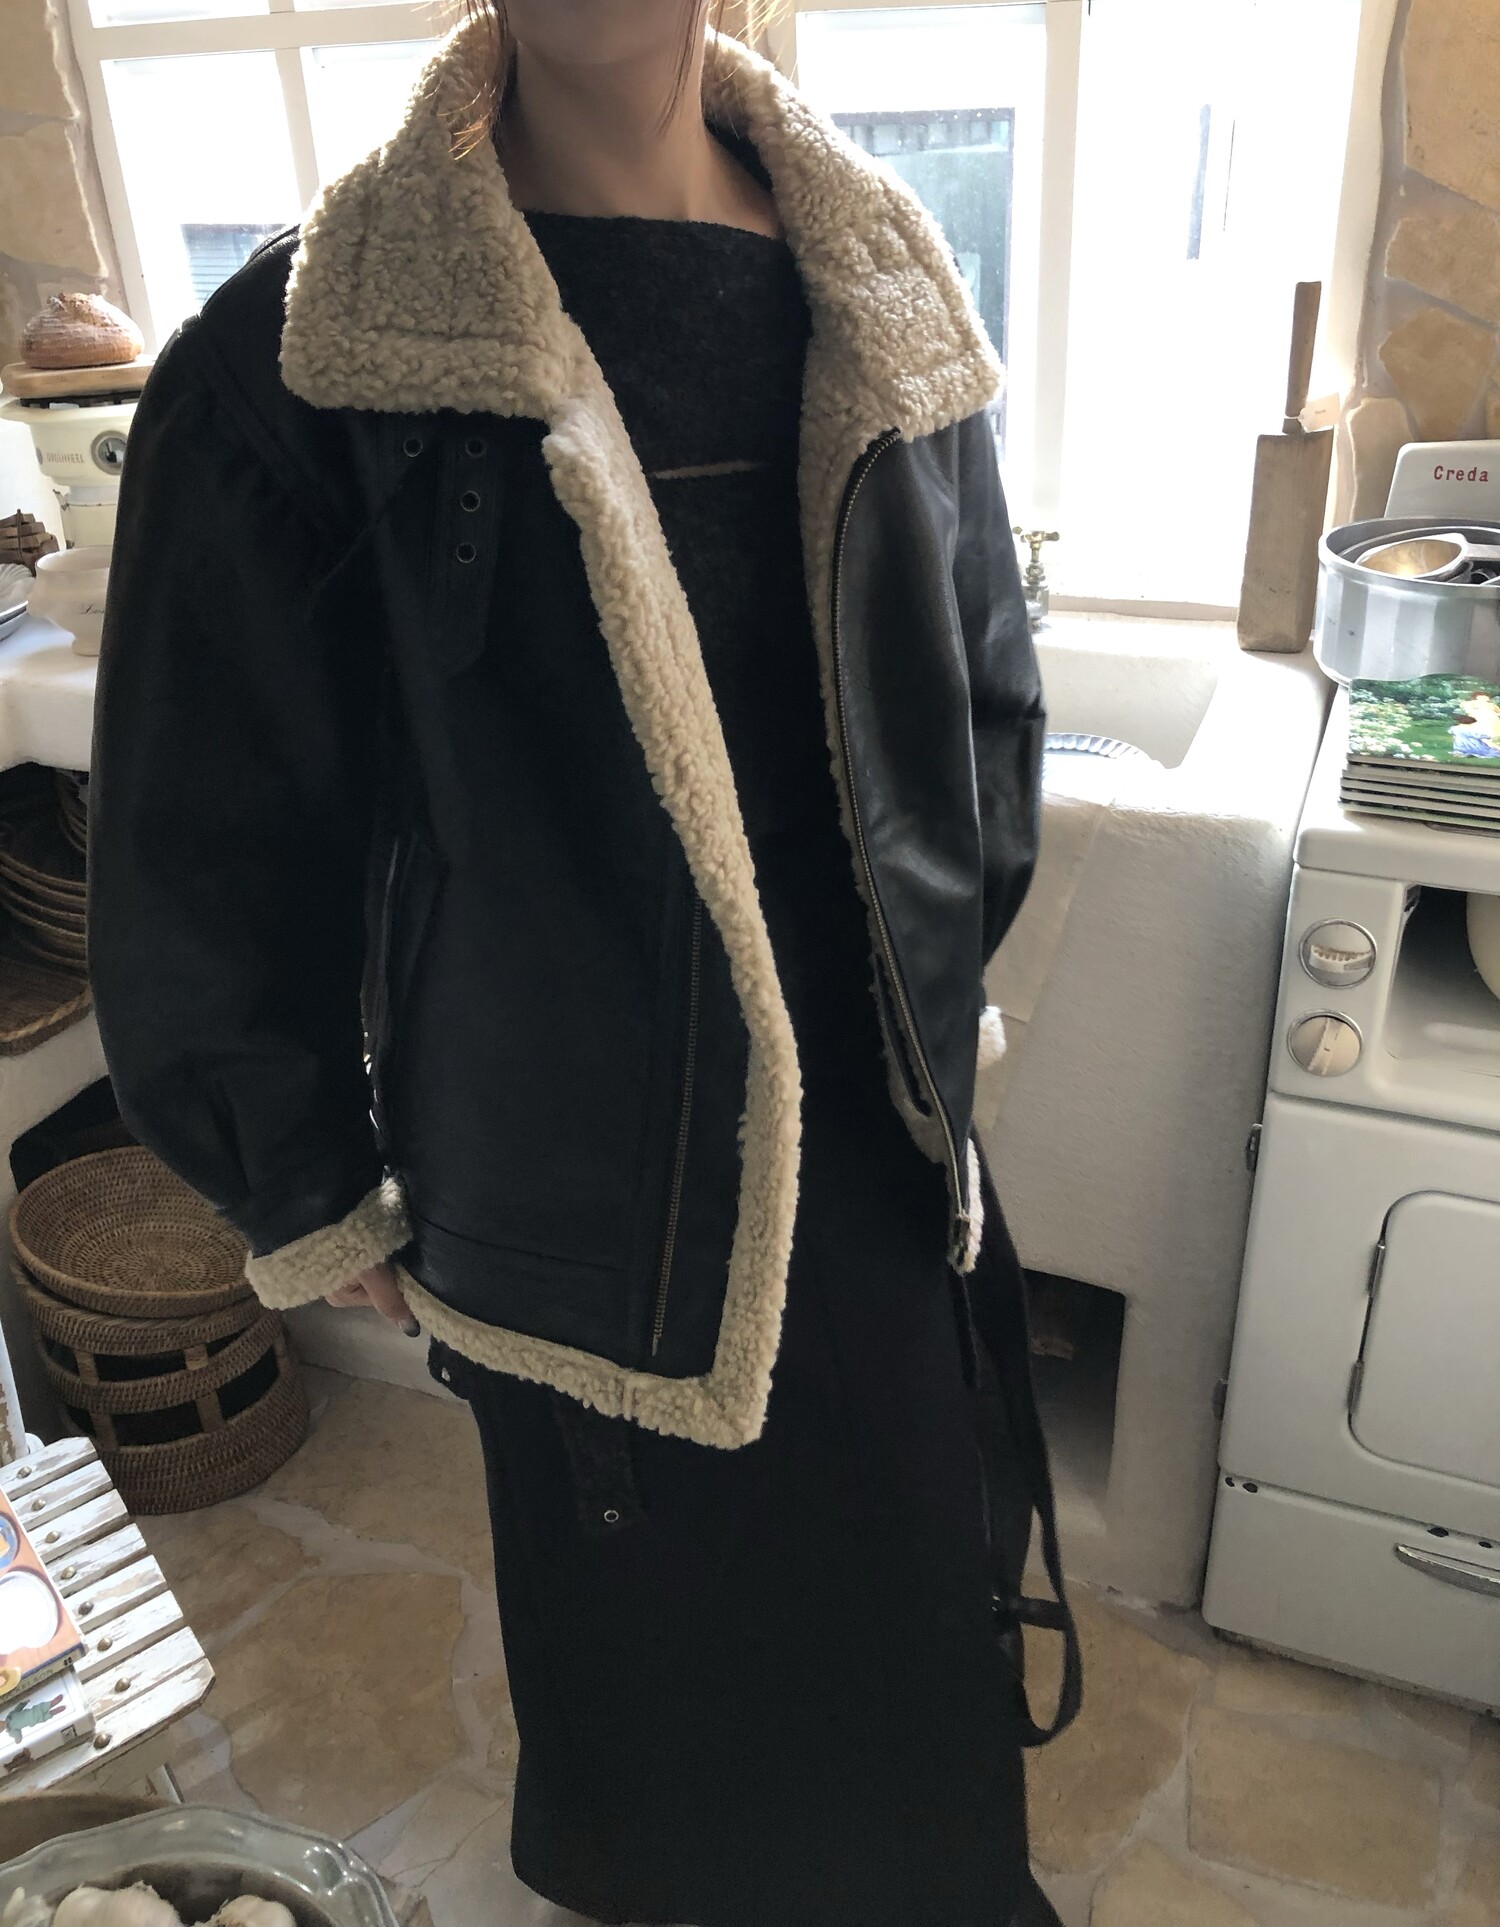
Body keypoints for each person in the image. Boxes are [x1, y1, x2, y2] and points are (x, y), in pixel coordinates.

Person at [88, 1, 1080, 1921]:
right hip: (560, 1196)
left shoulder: (879, 283)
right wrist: (300, 1176)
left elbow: (982, 716)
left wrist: (934, 1026)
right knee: (657, 1726)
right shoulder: (308, 355)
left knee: (903, 1663)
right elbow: (204, 839)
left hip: (874, 1177)